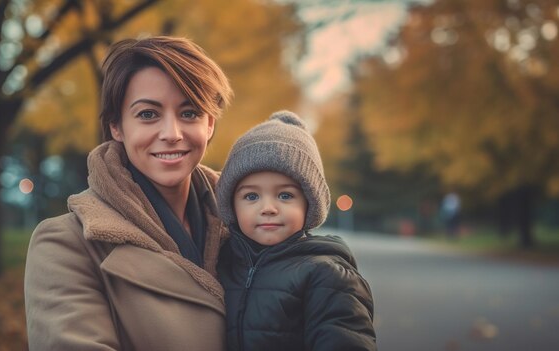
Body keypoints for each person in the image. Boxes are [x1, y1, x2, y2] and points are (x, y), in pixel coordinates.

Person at [24, 36, 233, 350]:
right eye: (148, 114)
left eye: (189, 113)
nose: (172, 134)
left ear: (210, 125)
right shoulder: (66, 245)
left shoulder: (249, 225)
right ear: (116, 127)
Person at [216, 111, 377, 351]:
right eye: (251, 196)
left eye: (285, 195)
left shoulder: (326, 276)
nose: (268, 208)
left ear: (309, 204)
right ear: (231, 205)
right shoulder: (221, 263)